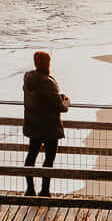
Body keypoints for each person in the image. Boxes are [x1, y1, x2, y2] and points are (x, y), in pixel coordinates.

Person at [23, 51, 70, 197]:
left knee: (31, 156)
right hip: (49, 126)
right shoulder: (48, 82)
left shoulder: (28, 78)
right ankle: (44, 191)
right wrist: (65, 100)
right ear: (47, 63)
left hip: (33, 124)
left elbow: (39, 98)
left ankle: (30, 190)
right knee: (48, 159)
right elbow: (60, 106)